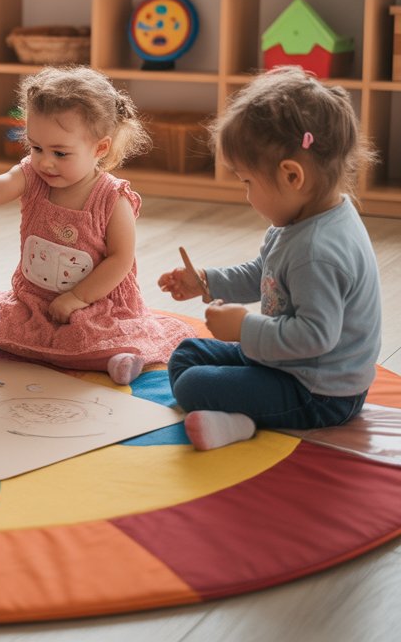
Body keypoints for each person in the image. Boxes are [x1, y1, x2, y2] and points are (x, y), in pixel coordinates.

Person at [0, 66, 191, 385]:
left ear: (100, 148)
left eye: (60, 153)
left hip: (94, 303)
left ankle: (121, 358)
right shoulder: (34, 177)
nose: (45, 161)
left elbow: (120, 260)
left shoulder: (112, 198)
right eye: (36, 147)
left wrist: (78, 298)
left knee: (101, 335)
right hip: (33, 299)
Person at [158, 65, 381, 451]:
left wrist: (245, 328)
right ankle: (234, 414)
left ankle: (237, 426)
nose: (246, 195)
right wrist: (207, 281)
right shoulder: (302, 219)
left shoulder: (319, 251)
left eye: (247, 181)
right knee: (187, 354)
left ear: (292, 176)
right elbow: (267, 273)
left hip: (320, 392)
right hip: (287, 364)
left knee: (194, 384)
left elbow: (316, 336)